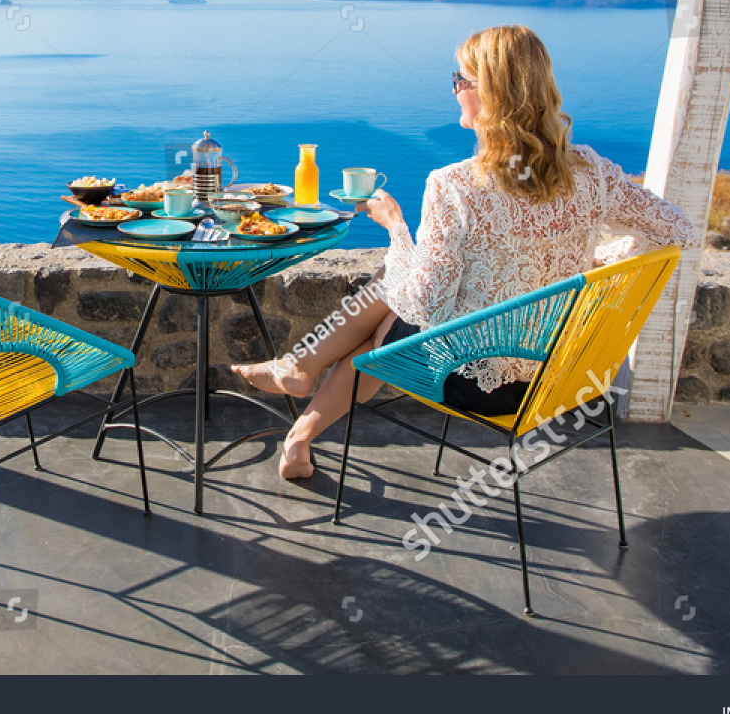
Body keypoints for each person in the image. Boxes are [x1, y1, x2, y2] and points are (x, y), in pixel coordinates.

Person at [233, 24, 700, 479]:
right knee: (389, 311)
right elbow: (678, 229)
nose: (455, 90)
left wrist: (395, 228)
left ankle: (300, 380)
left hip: (477, 382)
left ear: (492, 93)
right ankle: (299, 422)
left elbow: (424, 306)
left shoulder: (455, 185)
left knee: (389, 302)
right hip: (562, 375)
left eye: (461, 80)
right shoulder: (592, 174)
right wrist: (597, 268)